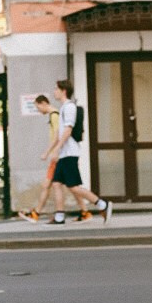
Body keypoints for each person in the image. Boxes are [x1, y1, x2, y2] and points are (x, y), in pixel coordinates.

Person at [45, 78, 113, 225]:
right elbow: (59, 132)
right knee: (56, 183)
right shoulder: (63, 108)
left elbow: (68, 130)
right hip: (64, 154)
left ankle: (102, 204)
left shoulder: (69, 107)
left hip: (69, 153)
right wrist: (50, 150)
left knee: (73, 187)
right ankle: (59, 217)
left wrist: (57, 149)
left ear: (63, 91)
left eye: (56, 89)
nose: (54, 91)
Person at [18, 94, 59, 221]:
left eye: (38, 107)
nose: (38, 110)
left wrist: (49, 152)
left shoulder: (54, 115)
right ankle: (37, 212)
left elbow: (58, 136)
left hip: (57, 157)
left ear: (43, 103)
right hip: (57, 156)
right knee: (49, 185)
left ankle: (40, 213)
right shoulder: (54, 115)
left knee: (69, 187)